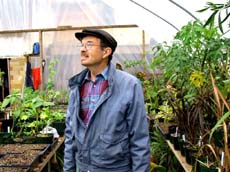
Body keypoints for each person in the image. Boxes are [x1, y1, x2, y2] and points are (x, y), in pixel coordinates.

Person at [63, 28, 150, 172]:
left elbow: (139, 138)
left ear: (106, 52)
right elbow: (70, 135)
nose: (82, 50)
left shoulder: (129, 85)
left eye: (89, 45)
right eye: (82, 45)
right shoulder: (77, 86)